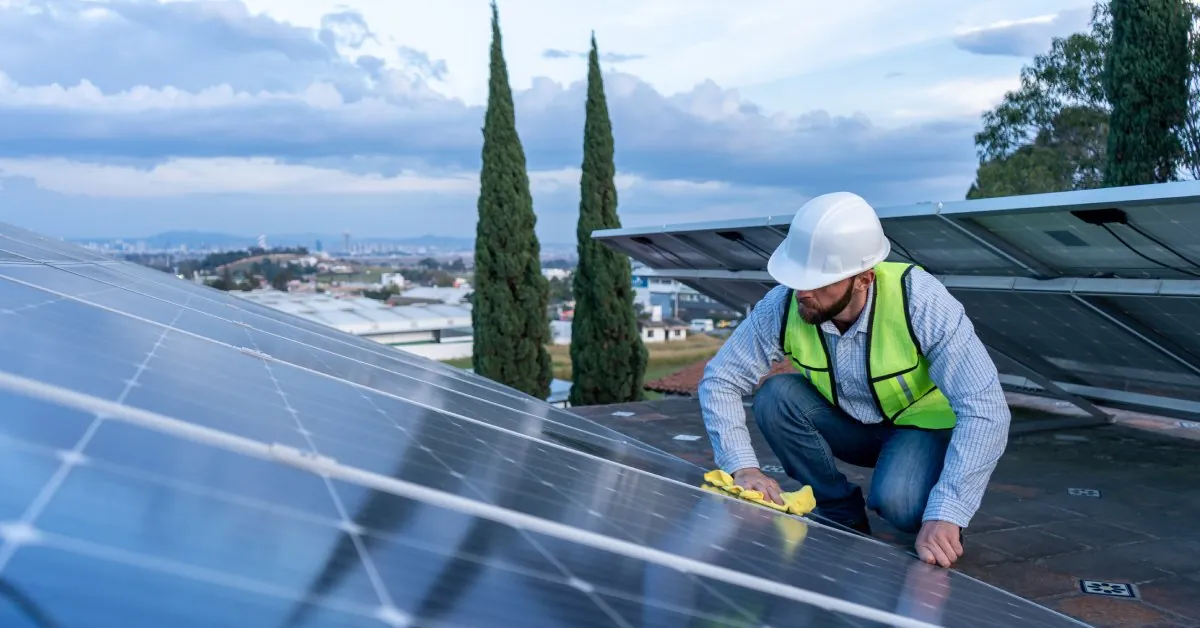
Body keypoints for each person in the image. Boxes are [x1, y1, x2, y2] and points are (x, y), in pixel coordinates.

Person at [697, 191, 1010, 568]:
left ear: (864, 279)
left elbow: (986, 408)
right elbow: (720, 379)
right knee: (776, 397)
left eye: (819, 281)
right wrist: (742, 467)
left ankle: (923, 497)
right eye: (798, 279)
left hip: (919, 429)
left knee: (904, 505)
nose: (803, 292)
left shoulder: (920, 300)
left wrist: (949, 512)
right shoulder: (784, 305)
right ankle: (840, 510)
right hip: (850, 426)